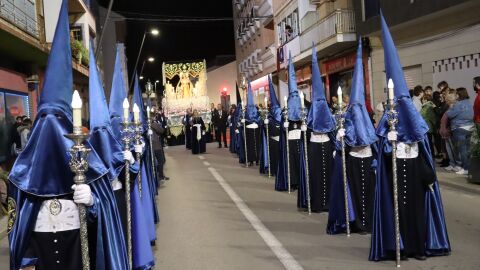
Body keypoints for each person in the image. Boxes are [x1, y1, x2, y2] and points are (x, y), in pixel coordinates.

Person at [8, 3, 129, 269]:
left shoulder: (88, 163)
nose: (51, 129)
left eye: (59, 121)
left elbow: (105, 221)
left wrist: (94, 200)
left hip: (78, 251)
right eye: (44, 120)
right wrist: (26, 260)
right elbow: (16, 225)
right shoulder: (21, 173)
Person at [370, 14, 450, 262]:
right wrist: (388, 141)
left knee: (415, 210)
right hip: (396, 170)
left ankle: (418, 247)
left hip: (414, 170)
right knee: (397, 209)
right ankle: (399, 247)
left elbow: (423, 143)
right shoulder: (388, 119)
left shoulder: (414, 118)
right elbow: (381, 150)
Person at [328, 40, 377, 234]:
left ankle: (372, 221)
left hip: (368, 160)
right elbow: (341, 147)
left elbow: (375, 141)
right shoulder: (345, 120)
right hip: (354, 161)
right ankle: (358, 222)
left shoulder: (366, 120)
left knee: (370, 192)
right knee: (355, 193)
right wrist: (340, 136)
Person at [306, 47, 336, 212]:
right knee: (316, 174)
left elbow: (331, 128)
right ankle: (317, 202)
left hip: (326, 145)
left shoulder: (325, 108)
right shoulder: (312, 111)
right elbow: (311, 127)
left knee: (328, 173)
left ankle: (329, 202)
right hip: (315, 146)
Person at [447, 87, 474, 176]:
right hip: (470, 127)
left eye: (456, 94)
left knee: (462, 150)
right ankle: (469, 167)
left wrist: (450, 107)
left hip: (460, 128)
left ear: (458, 95)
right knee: (468, 149)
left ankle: (465, 168)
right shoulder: (469, 103)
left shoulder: (458, 104)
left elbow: (450, 114)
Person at [244, 84, 262, 165]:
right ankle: (251, 160)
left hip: (256, 129)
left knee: (257, 144)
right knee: (250, 145)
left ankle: (257, 159)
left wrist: (255, 121)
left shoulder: (257, 111)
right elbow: (245, 120)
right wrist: (245, 121)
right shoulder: (246, 112)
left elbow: (259, 119)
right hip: (249, 130)